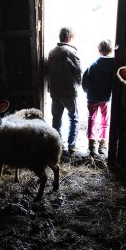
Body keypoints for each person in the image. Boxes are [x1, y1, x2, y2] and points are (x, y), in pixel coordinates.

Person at [47, 27, 82, 156]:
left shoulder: (51, 52)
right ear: (69, 38)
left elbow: (47, 72)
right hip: (69, 91)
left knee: (56, 119)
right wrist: (79, 84)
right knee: (74, 118)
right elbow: (78, 71)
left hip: (55, 92)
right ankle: (71, 146)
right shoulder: (71, 52)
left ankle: (58, 146)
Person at [81, 39, 115, 157]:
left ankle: (92, 146)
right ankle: (103, 145)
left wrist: (88, 92)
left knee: (92, 119)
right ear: (111, 50)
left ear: (99, 50)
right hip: (106, 98)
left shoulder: (93, 64)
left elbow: (85, 81)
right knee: (105, 121)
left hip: (92, 98)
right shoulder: (115, 65)